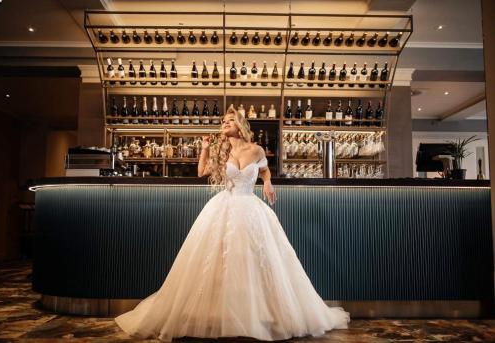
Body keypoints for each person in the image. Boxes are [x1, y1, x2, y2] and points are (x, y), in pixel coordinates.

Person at [114, 105, 350, 341]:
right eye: (223, 122)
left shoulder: (256, 150)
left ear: (240, 125)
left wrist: (267, 183)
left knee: (254, 261)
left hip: (250, 207)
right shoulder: (220, 150)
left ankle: (258, 315)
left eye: (229, 121)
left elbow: (265, 170)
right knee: (220, 261)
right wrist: (205, 149)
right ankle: (219, 316)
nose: (225, 124)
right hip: (224, 206)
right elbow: (201, 171)